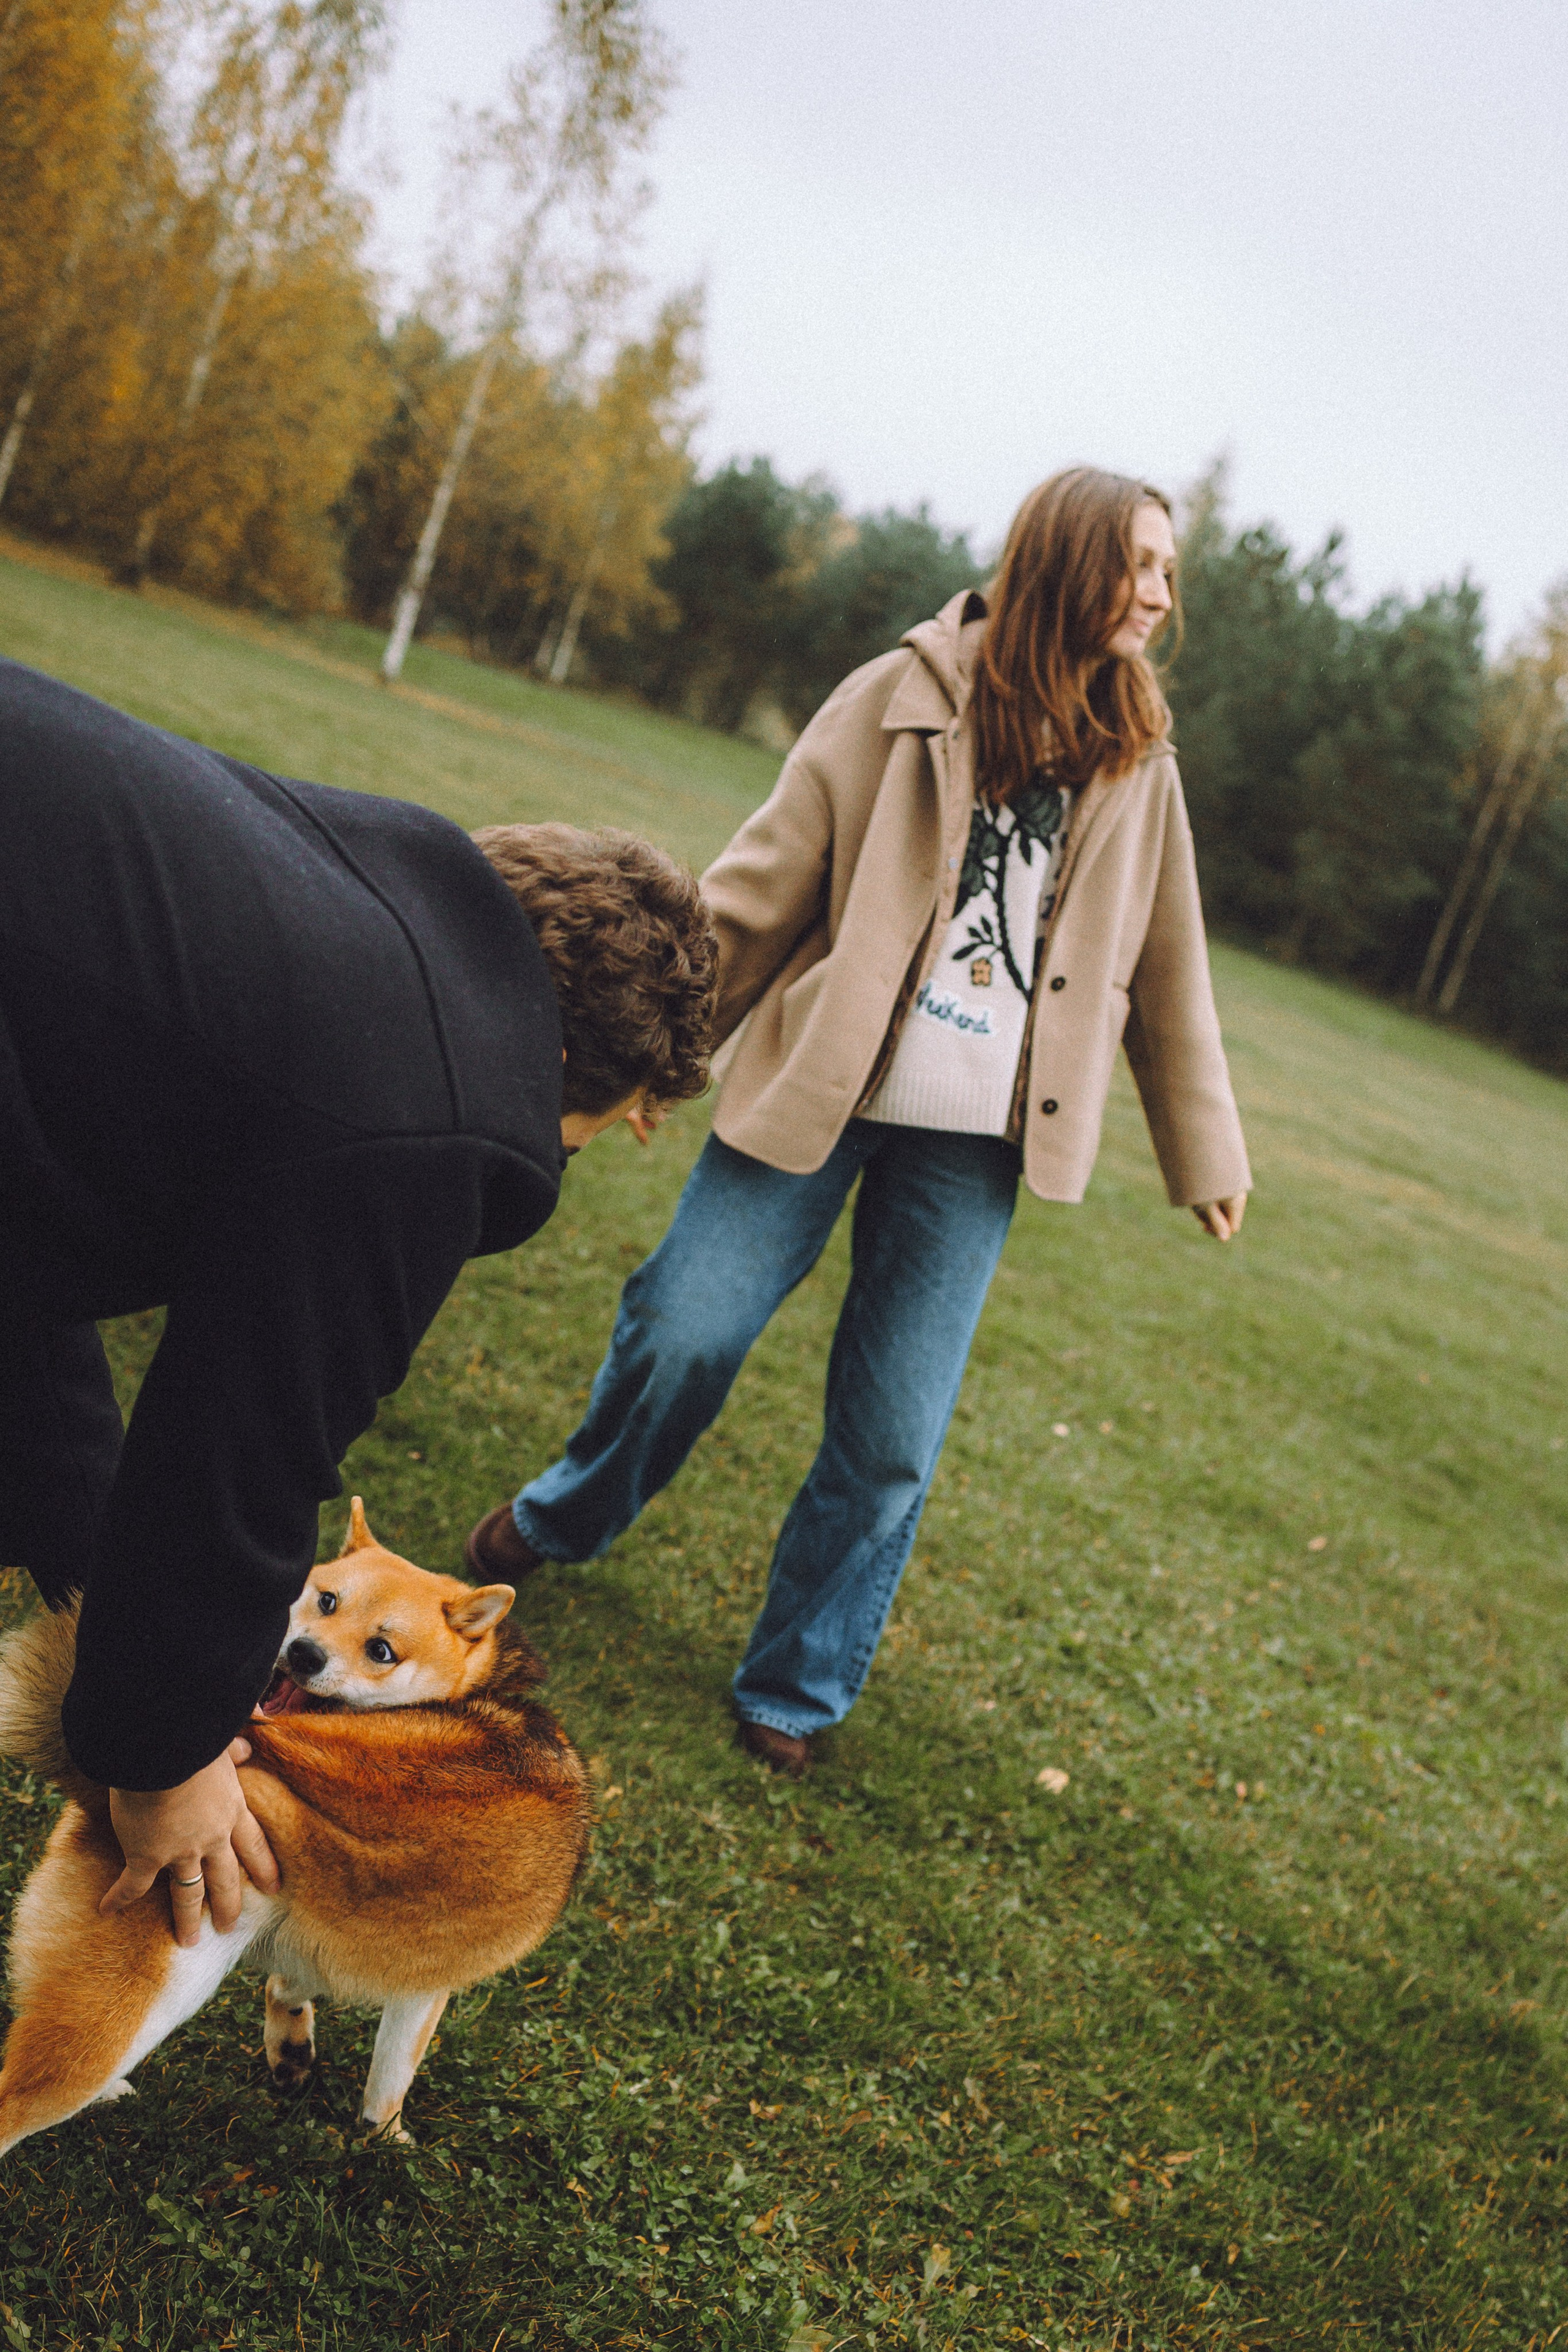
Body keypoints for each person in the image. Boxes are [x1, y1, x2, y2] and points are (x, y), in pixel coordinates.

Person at [467, 467, 1251, 1777]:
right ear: (1068, 563)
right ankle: (559, 1519)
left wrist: (1201, 1153)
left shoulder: (1137, 762)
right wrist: (651, 1052)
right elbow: (758, 890)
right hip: (815, 1093)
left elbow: (1167, 967)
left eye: (1169, 571)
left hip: (973, 1144)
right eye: (1144, 566)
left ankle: (797, 1681)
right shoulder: (896, 698)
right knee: (684, 1330)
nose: (1164, 596)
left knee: (889, 1435)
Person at [0, 658, 716, 1942]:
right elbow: (243, 1448)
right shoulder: (423, 1113)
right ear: (574, 1075)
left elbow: (27, 1244)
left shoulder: (339, 906)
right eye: (604, 1130)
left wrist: (89, 1574)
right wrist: (163, 1763)